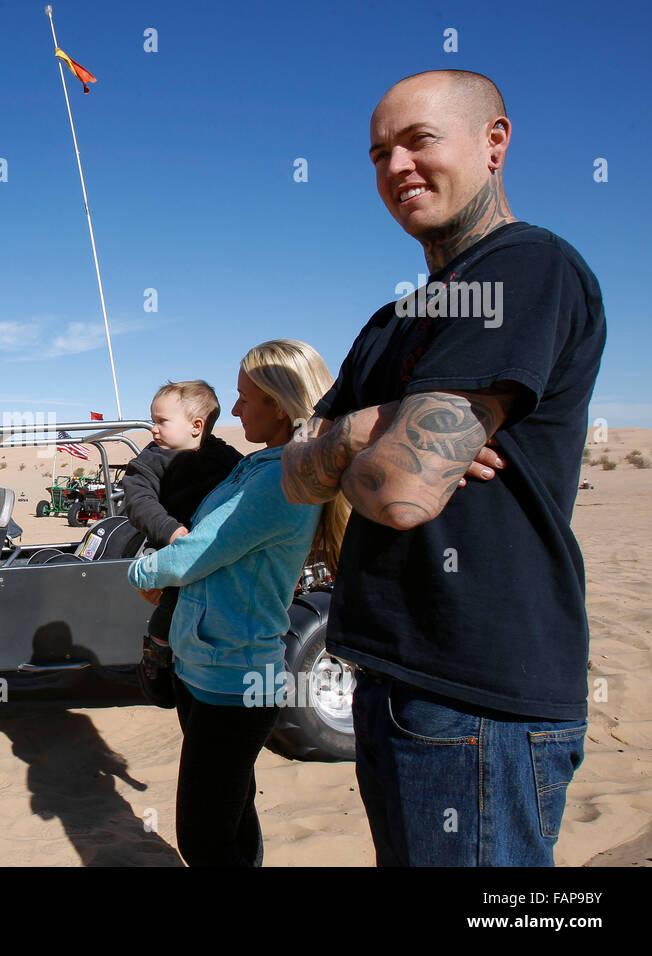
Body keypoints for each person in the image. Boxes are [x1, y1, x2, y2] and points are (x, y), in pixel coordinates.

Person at [280, 70, 606, 866]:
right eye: (379, 153)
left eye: (419, 141)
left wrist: (348, 448)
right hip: (386, 668)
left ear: (494, 142)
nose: (397, 167)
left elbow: (397, 493)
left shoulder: (527, 268)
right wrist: (370, 426)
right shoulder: (394, 320)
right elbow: (294, 476)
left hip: (478, 688)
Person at [128, 341, 349, 866]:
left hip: (236, 677)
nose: (236, 408)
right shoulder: (259, 466)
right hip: (211, 668)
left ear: (278, 403)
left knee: (205, 837)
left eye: (246, 397)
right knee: (231, 817)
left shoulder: (275, 478)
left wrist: (144, 570)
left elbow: (202, 549)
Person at [121, 381, 243, 708]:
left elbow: (245, 487)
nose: (153, 428)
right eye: (152, 420)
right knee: (170, 612)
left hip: (220, 557)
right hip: (176, 556)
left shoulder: (224, 457)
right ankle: (157, 664)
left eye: (161, 421)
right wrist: (172, 531)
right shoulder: (151, 459)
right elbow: (138, 499)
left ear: (196, 426)